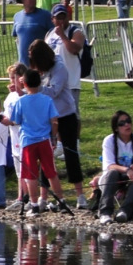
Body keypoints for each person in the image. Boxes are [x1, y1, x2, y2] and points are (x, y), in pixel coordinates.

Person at [30, 38, 87, 209]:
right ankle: (43, 197)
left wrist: (34, 87)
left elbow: (54, 91)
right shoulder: (41, 70)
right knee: (45, 154)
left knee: (71, 154)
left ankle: (80, 195)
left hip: (66, 115)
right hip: (49, 117)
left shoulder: (60, 67)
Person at [5, 66, 67, 214]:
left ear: (24, 84)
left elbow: (16, 120)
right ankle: (62, 201)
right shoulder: (47, 100)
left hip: (28, 142)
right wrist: (54, 137)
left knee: (31, 174)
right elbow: (54, 121)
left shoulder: (21, 102)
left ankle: (33, 204)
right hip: (45, 141)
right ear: (40, 83)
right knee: (51, 172)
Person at [96, 111, 133, 223]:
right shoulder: (109, 140)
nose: (127, 125)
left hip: (132, 178)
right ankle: (105, 212)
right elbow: (110, 166)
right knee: (112, 173)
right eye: (122, 123)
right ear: (116, 128)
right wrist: (127, 170)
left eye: (128, 121)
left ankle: (124, 211)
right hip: (111, 178)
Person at [12, 0, 50, 64]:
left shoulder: (45, 15)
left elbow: (54, 36)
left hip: (41, 65)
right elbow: (17, 38)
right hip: (23, 65)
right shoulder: (17, 16)